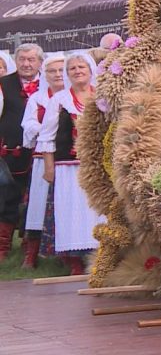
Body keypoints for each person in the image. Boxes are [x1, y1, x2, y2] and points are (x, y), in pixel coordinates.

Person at [37, 53, 105, 275]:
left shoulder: (102, 97)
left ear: (91, 70)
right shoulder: (60, 100)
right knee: (71, 210)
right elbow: (47, 136)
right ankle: (74, 260)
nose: (77, 71)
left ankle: (101, 257)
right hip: (68, 166)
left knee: (98, 210)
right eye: (72, 68)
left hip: (99, 165)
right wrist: (49, 168)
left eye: (81, 67)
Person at [19, 55, 65, 268]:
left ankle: (68, 254)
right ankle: (31, 254)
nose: (57, 74)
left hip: (66, 157)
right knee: (38, 205)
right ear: (45, 75)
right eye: (52, 71)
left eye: (61, 70)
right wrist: (48, 130)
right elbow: (28, 124)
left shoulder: (74, 96)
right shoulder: (37, 99)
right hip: (42, 157)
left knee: (64, 204)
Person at [0, 43, 43, 262]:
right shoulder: (3, 84)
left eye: (31, 59)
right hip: (11, 151)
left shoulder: (50, 81)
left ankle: (31, 246)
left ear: (40, 62)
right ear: (15, 61)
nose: (26, 64)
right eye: (22, 59)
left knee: (38, 198)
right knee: (8, 196)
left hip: (43, 152)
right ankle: (3, 245)